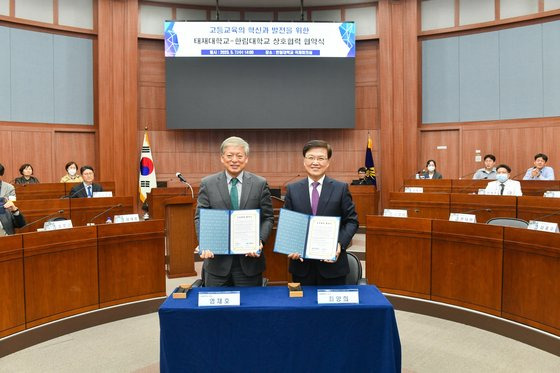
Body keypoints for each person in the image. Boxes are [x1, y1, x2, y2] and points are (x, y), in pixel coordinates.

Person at [194, 136, 274, 287]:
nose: (234, 160)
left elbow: (268, 217)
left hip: (249, 262)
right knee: (216, 309)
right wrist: (204, 242)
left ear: (246, 159)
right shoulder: (208, 183)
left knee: (248, 308)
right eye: (229, 156)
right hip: (217, 262)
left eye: (239, 156)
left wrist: (260, 241)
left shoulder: (260, 184)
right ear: (222, 158)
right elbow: (200, 217)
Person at [284, 140, 359, 286]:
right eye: (311, 157)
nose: (315, 162)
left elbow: (352, 221)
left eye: (320, 158)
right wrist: (290, 245)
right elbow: (288, 224)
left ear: (328, 162)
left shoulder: (340, 188)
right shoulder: (292, 189)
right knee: (304, 307)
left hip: (333, 266)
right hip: (302, 266)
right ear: (304, 161)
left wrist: (339, 244)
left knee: (332, 308)